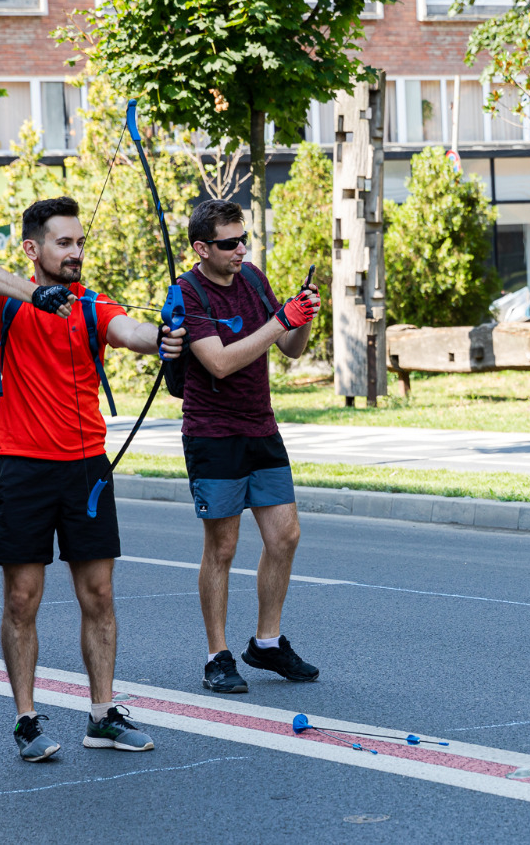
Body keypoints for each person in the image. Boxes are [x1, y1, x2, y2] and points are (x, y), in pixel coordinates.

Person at [0, 196, 185, 762]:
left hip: (86, 470)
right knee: (22, 599)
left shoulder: (90, 304)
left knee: (99, 595)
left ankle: (103, 715)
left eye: (79, 242)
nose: (75, 252)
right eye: (63, 242)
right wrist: (35, 294)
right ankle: (27, 721)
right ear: (33, 249)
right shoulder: (5, 305)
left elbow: (129, 331)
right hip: (24, 467)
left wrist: (165, 335)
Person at [176, 199, 322, 694]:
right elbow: (218, 363)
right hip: (212, 434)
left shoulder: (254, 279)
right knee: (223, 546)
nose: (241, 250)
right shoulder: (187, 293)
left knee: (285, 536)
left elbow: (289, 348)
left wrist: (301, 317)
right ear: (202, 248)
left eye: (244, 239)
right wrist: (281, 321)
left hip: (261, 427)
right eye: (229, 243)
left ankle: (266, 642)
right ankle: (217, 655)